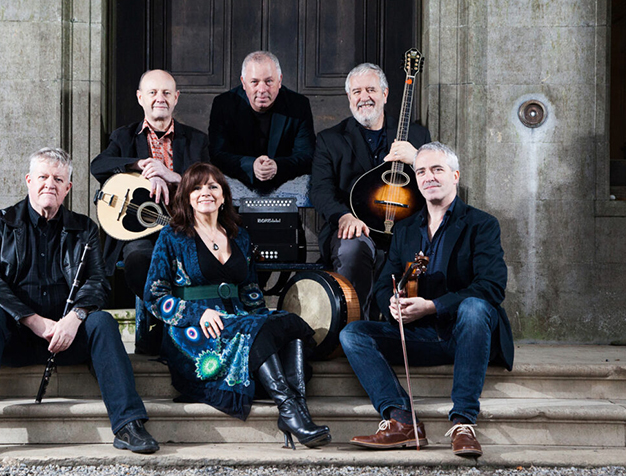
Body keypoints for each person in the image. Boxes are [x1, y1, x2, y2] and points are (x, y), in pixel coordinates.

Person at [0, 148, 158, 458]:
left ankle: (129, 425)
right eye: (44, 177)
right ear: (29, 181)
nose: (50, 184)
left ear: (68, 188)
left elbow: (99, 283)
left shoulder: (85, 228)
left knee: (102, 322)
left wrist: (74, 319)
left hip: (68, 337)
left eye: (58, 179)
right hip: (16, 336)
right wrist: (33, 320)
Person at [339, 142, 514, 458]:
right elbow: (383, 285)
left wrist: (434, 306)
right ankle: (401, 420)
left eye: (437, 169)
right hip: (419, 336)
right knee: (353, 334)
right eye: (421, 171)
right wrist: (393, 305)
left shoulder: (481, 224)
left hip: (466, 333)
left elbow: (491, 287)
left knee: (476, 307)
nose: (428, 177)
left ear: (455, 175)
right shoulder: (405, 230)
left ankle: (463, 424)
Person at [143, 162, 330, 449]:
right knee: (257, 329)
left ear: (223, 195)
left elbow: (251, 290)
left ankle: (297, 409)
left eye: (212, 186)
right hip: (196, 328)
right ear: (187, 197)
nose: (205, 192)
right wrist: (198, 312)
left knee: (287, 323)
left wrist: (263, 318)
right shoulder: (173, 235)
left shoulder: (239, 236)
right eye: (196, 187)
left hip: (239, 318)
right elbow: (155, 296)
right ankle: (290, 410)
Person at [91, 69, 209, 354]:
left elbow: (210, 182)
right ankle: (173, 326)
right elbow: (98, 166)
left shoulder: (196, 140)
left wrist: (173, 175)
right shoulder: (124, 137)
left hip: (186, 228)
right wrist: (141, 166)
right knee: (138, 260)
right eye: (153, 93)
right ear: (140, 98)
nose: (160, 99)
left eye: (167, 93)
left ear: (176, 98)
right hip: (141, 234)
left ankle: (173, 331)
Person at [310, 62, 431, 321]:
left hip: (404, 228)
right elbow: (320, 190)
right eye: (357, 92)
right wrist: (343, 216)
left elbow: (438, 182)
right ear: (349, 98)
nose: (364, 97)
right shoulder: (330, 139)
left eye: (371, 90)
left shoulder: (416, 135)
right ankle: (356, 330)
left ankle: (411, 332)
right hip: (355, 227)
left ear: (385, 94)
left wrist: (418, 158)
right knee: (353, 249)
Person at [208, 51, 314, 191]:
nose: (262, 89)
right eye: (254, 82)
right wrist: (251, 165)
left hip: (286, 190)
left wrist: (277, 166)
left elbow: (307, 155)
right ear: (243, 83)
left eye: (269, 81)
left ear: (280, 80)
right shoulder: (224, 105)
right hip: (234, 195)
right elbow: (216, 155)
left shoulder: (298, 105)